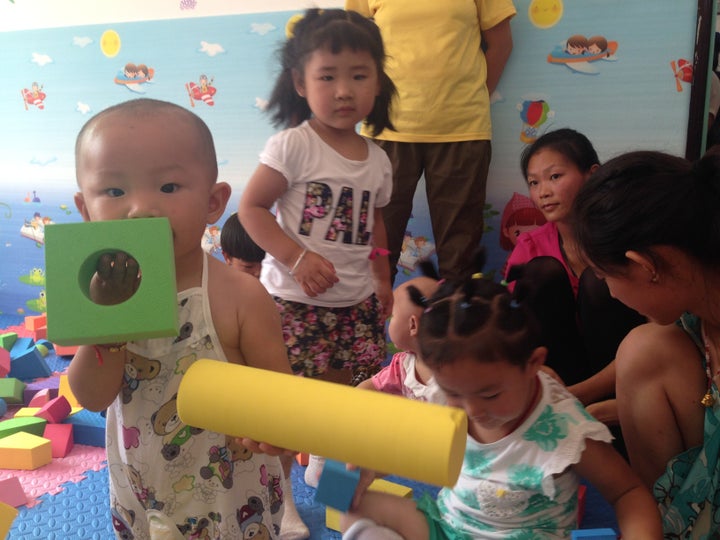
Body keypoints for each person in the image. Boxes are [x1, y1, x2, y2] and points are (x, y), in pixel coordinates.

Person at [68, 98, 294, 539]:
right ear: (85, 210)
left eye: (168, 187)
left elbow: (283, 402)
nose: (141, 209)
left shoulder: (241, 296)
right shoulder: (102, 301)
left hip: (231, 503)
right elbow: (93, 397)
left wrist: (273, 430)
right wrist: (107, 329)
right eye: (114, 192)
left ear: (213, 202)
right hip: (141, 495)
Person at [340, 253, 663, 539]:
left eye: (490, 394)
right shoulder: (450, 398)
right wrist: (363, 470)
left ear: (532, 364)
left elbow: (628, 492)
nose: (472, 410)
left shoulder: (563, 427)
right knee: (348, 503)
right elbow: (409, 449)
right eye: (452, 393)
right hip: (449, 527)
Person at [238, 8, 395, 500]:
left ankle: (322, 460)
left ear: (377, 83)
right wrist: (297, 257)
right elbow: (252, 208)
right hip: (293, 302)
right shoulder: (293, 146)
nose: (344, 90)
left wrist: (384, 279)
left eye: (358, 76)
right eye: (327, 76)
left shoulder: (379, 158)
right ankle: (280, 496)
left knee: (339, 390)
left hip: (355, 302)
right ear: (301, 84)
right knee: (288, 406)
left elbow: (375, 222)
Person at [572, 149, 720, 536]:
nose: (611, 293)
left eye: (605, 277)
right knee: (644, 347)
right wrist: (574, 398)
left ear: (645, 266)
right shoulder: (700, 305)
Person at [344, 0, 516, 282]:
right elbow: (350, 47)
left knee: (459, 260)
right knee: (373, 253)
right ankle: (370, 323)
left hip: (462, 129)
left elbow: (501, 44)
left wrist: (472, 99)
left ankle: (453, 321)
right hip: (385, 131)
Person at [504, 129, 646, 401]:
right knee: (540, 272)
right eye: (534, 183)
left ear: (592, 174)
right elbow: (512, 330)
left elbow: (655, 330)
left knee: (598, 281)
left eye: (555, 177)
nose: (543, 192)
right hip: (559, 381)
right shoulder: (530, 248)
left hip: (625, 374)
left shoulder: (624, 236)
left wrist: (576, 396)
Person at [357, 275, 443, 404]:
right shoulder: (402, 365)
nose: (387, 322)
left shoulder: (457, 372)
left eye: (392, 317)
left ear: (413, 325)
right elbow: (369, 386)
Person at [220, 211, 266, 278]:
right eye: (249, 266)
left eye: (267, 264)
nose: (259, 273)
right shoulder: (218, 286)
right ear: (227, 257)